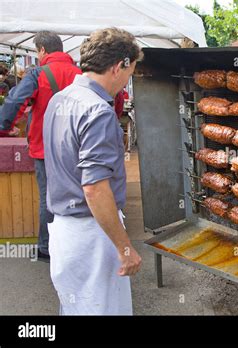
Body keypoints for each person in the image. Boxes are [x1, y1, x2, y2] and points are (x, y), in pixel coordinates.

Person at [43, 28, 143, 315]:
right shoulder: (97, 111)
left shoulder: (60, 100)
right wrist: (125, 248)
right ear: (117, 67)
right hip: (92, 235)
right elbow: (95, 188)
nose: (128, 80)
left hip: (64, 231)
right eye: (130, 71)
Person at [0, 32, 82, 261]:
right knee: (77, 195)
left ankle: (46, 248)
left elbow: (14, 101)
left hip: (45, 148)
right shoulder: (80, 74)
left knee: (49, 198)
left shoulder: (38, 73)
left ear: (42, 50)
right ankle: (74, 245)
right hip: (75, 148)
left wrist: (4, 127)